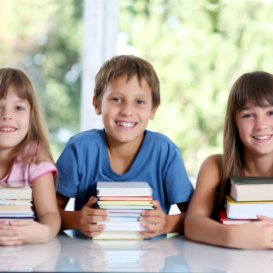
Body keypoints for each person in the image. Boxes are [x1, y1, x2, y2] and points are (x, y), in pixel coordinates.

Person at [56, 55, 193, 238]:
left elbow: (196, 218)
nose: (127, 111)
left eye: (139, 102)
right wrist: (77, 220)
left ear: (153, 109)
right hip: (90, 260)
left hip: (151, 262)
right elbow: (48, 213)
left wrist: (166, 223)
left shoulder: (165, 152)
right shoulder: (79, 150)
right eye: (116, 99)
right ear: (97, 104)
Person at [185, 71, 273, 249]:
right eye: (248, 115)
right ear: (234, 122)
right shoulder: (215, 167)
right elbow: (192, 223)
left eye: (271, 112)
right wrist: (232, 236)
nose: (261, 125)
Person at [0, 68, 60, 245]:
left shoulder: (35, 158)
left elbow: (50, 214)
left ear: (31, 115)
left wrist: (45, 232)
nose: (7, 116)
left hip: (26, 256)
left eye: (18, 108)